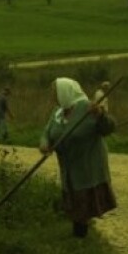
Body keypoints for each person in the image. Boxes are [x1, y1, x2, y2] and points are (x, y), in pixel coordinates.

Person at [40, 78, 116, 239]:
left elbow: (108, 128)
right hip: (68, 164)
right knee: (73, 198)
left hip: (87, 163)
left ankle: (80, 237)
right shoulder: (58, 111)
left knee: (83, 201)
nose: (53, 95)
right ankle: (79, 235)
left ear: (65, 91)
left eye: (55, 92)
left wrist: (101, 115)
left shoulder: (88, 107)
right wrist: (45, 144)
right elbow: (47, 131)